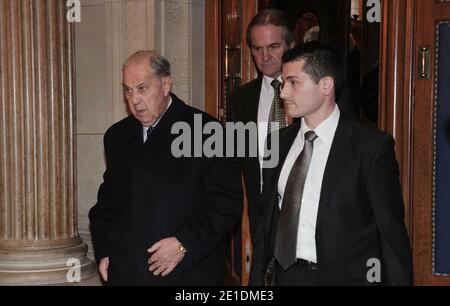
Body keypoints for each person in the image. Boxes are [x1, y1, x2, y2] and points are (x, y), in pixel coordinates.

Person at [250, 42, 413, 286]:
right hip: (286, 276)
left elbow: (392, 238)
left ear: (326, 85)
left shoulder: (370, 147)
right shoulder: (278, 142)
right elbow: (266, 225)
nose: (283, 93)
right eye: (284, 83)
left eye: (293, 83)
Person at [89, 50, 242, 285]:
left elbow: (226, 202)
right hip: (126, 273)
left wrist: (184, 244)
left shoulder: (205, 131)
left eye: (142, 88)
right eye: (127, 90)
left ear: (166, 84)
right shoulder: (116, 136)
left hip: (186, 275)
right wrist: (105, 250)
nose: (134, 100)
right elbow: (106, 206)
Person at [227, 9, 295, 242]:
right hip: (262, 217)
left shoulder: (313, 91)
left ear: (290, 46)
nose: (265, 56)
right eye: (257, 48)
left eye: (273, 46)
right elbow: (234, 159)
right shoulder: (240, 99)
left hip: (307, 211)